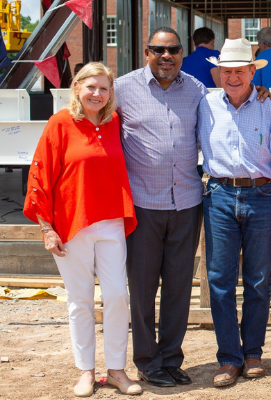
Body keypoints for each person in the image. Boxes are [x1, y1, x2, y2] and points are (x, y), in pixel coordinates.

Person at [22, 62, 141, 397]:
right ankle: (86, 371)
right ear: (76, 87)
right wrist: (46, 228)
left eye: (104, 88)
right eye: (91, 87)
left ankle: (116, 369)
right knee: (80, 300)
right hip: (72, 223)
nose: (97, 94)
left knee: (118, 295)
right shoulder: (60, 123)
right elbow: (40, 174)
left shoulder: (116, 121)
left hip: (112, 220)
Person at [198, 38, 271, 388]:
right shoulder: (206, 105)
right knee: (219, 279)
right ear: (219, 73)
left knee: (259, 279)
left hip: (264, 195)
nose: (233, 77)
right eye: (227, 71)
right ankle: (229, 357)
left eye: (240, 71)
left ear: (252, 72)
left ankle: (252, 352)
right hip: (220, 194)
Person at [115, 26, 207, 388]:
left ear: (182, 53)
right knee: (141, 287)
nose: (166, 56)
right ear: (147, 52)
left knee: (178, 287)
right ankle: (146, 360)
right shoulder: (122, 89)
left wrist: (262, 93)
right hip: (143, 205)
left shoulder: (197, 90)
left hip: (186, 202)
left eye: (173, 50)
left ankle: (171, 358)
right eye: (159, 50)